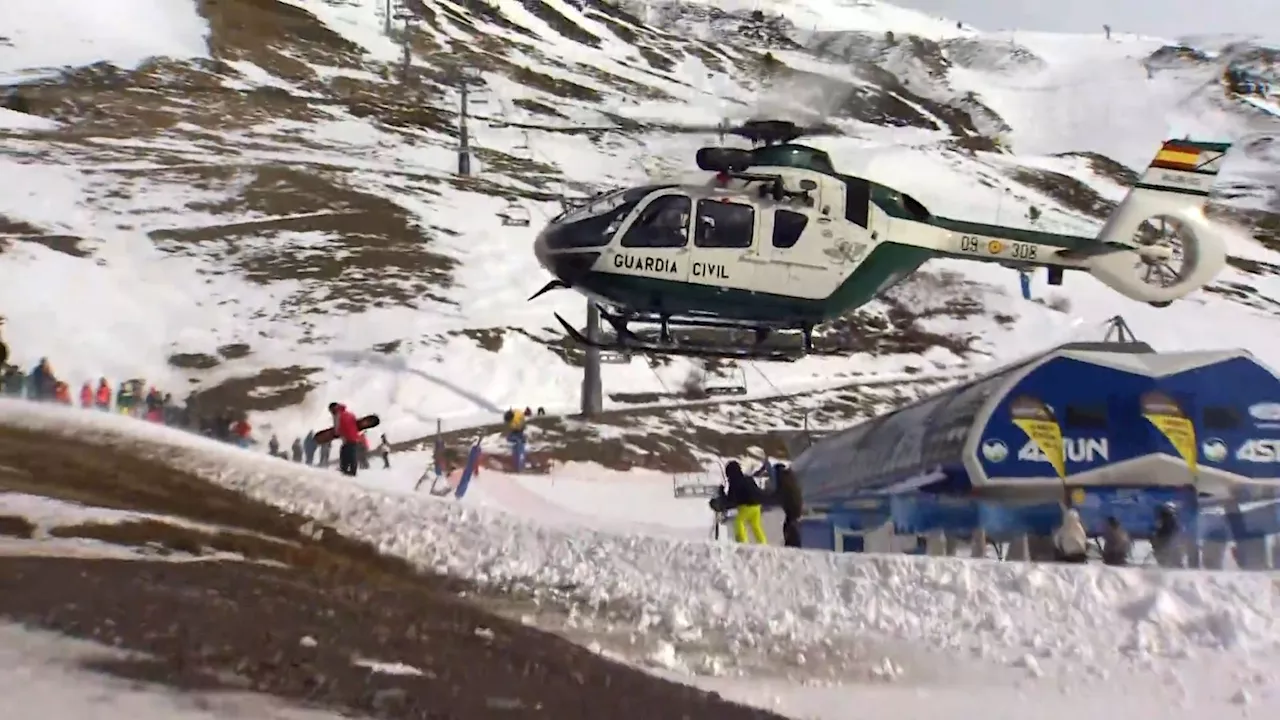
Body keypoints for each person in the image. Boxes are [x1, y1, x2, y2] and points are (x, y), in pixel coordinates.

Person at [723, 460, 767, 544]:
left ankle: (743, 543)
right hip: (757, 505)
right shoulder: (748, 478)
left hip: (746, 506)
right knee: (755, 525)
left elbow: (731, 499)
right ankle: (763, 543)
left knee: (738, 521)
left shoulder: (734, 481)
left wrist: (722, 493)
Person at [773, 463, 803, 548]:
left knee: (790, 527)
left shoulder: (782, 479)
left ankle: (793, 546)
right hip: (796, 506)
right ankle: (792, 544)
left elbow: (778, 494)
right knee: (789, 526)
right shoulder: (790, 477)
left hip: (793, 508)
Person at [329, 403, 361, 477]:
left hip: (347, 437)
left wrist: (336, 433)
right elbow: (355, 424)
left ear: (333, 408)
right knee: (351, 453)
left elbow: (337, 428)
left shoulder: (337, 415)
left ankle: (346, 469)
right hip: (354, 436)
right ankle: (352, 470)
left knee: (345, 453)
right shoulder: (350, 414)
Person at [1151, 502, 1184, 568]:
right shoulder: (1167, 518)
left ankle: (1172, 563)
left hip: (1168, 539)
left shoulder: (1171, 519)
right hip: (1165, 539)